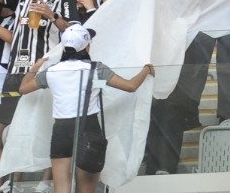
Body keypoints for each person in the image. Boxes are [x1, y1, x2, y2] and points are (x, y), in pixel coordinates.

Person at [18, 24, 152, 193]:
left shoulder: (52, 71)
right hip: (88, 127)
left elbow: (23, 89)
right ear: (86, 46)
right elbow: (131, 86)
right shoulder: (96, 69)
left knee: (61, 188)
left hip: (61, 128)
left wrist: (35, 67)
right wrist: (145, 70)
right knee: (86, 189)